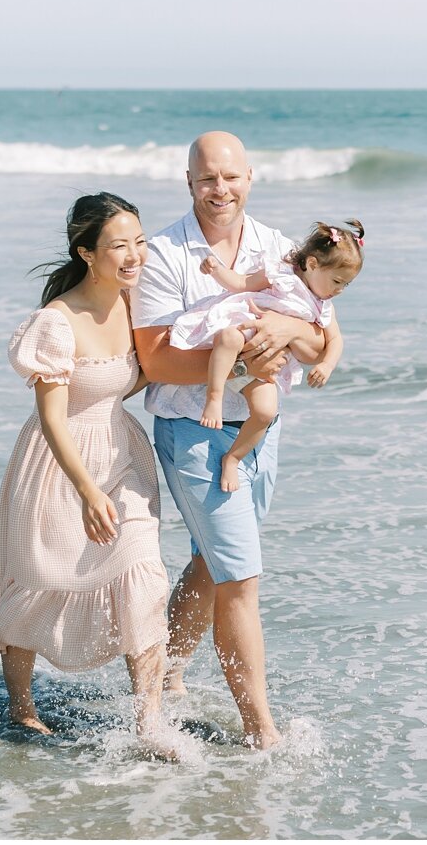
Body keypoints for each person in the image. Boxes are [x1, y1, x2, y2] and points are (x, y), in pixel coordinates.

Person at [0, 192, 183, 759]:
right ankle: (21, 708)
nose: (134, 255)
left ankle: (149, 721)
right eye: (118, 246)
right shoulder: (56, 324)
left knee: (144, 573)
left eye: (139, 240)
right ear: (87, 253)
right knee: (37, 580)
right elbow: (51, 416)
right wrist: (85, 489)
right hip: (59, 463)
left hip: (122, 453)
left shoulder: (137, 304)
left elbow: (141, 375)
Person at [132, 131, 329, 749]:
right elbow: (157, 361)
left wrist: (289, 325)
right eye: (206, 179)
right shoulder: (163, 253)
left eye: (230, 177)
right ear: (189, 183)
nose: (220, 190)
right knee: (240, 575)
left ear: (250, 177)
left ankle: (165, 672)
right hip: (192, 429)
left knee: (213, 562)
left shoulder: (279, 249)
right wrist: (248, 359)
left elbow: (322, 340)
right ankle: (261, 729)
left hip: (258, 429)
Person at [173, 220, 365, 493]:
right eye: (337, 281)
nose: (339, 290)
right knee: (227, 338)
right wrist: (217, 271)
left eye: (346, 285)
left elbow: (335, 340)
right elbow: (240, 283)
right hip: (242, 338)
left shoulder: (323, 306)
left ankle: (233, 458)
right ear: (311, 264)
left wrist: (327, 364)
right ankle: (213, 398)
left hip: (263, 367)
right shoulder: (281, 273)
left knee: (265, 412)